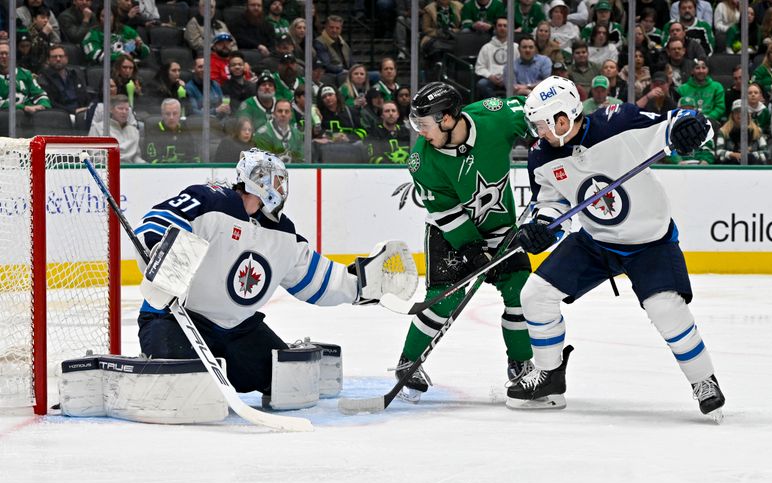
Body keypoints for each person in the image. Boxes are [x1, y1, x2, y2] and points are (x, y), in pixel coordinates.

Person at [515, 75, 724, 419]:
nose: (538, 134)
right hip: (597, 241)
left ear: (562, 118)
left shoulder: (619, 123)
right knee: (535, 294)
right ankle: (549, 375)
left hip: (650, 242)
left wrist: (693, 127)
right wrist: (541, 227)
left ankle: (704, 381)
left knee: (666, 309)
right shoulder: (541, 157)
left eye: (542, 125)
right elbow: (552, 204)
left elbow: (680, 125)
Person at [135, 149, 396, 398]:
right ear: (259, 180)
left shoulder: (282, 232)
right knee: (184, 387)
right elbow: (158, 222)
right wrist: (159, 248)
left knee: (287, 382)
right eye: (278, 181)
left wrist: (360, 286)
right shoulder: (211, 200)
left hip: (237, 330)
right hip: (175, 319)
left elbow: (316, 278)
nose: (282, 189)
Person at [396, 82, 533, 403]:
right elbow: (443, 210)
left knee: (521, 291)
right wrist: (471, 249)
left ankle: (521, 363)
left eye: (425, 124)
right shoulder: (421, 161)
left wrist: (540, 138)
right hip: (450, 233)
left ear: (447, 119)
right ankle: (407, 364)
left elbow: (533, 110)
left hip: (500, 228)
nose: (421, 132)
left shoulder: (495, 118)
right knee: (443, 299)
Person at [89, 94, 145, 163]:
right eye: (120, 108)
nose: (124, 112)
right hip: (108, 169)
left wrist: (148, 167)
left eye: (127, 109)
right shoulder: (97, 128)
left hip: (131, 170)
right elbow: (96, 158)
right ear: (111, 110)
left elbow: (136, 157)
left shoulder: (134, 130)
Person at [82, 6, 150, 63]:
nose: (106, 19)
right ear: (99, 18)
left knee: (138, 78)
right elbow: (95, 55)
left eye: (109, 15)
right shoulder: (93, 34)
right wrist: (121, 57)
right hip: (106, 70)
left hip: (128, 69)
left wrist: (139, 48)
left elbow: (146, 51)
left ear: (114, 17)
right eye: (103, 16)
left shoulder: (126, 30)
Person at [37, 44, 90, 116]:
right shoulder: (43, 78)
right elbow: (50, 103)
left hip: (81, 111)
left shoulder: (75, 74)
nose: (58, 59)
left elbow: (85, 95)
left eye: (61, 56)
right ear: (48, 60)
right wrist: (73, 111)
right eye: (54, 57)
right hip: (60, 115)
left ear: (67, 58)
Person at [142, 98, 198, 163]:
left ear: (180, 114)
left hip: (183, 171)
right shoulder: (153, 132)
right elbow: (152, 160)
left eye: (175, 113)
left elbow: (194, 157)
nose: (171, 117)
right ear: (162, 114)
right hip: (162, 171)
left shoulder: (185, 129)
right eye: (168, 114)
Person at [0, 41, 51, 112]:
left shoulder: (26, 74)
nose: (4, 56)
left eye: (7, 53)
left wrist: (42, 105)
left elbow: (40, 95)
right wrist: (23, 107)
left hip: (28, 117)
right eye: (1, 53)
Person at [474, 17, 517, 99]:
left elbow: (519, 65)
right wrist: (490, 76)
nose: (502, 28)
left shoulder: (515, 47)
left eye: (505, 26)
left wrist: (507, 77)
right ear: (495, 28)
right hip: (491, 79)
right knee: (481, 84)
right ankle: (496, 103)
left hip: (511, 79)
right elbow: (479, 67)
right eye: (499, 25)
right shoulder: (486, 47)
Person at [715, 99, 768, 165]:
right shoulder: (723, 131)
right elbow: (718, 152)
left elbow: (765, 152)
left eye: (743, 112)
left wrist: (749, 155)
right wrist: (733, 154)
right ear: (732, 115)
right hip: (730, 166)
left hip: (753, 165)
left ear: (748, 115)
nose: (740, 114)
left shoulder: (757, 131)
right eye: (737, 112)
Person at [675, 59, 725, 123]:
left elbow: (720, 108)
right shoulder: (682, 89)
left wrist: (707, 118)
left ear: (708, 70)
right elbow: (677, 109)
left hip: (711, 121)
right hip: (688, 121)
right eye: (697, 68)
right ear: (692, 71)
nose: (701, 71)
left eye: (703, 68)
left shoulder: (717, 87)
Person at [313, 15, 353, 85]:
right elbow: (326, 65)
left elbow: (351, 61)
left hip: (346, 72)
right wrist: (343, 70)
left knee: (374, 75)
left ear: (341, 29)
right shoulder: (319, 42)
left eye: (337, 28)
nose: (334, 30)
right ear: (325, 27)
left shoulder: (343, 43)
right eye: (331, 27)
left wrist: (356, 69)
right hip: (332, 74)